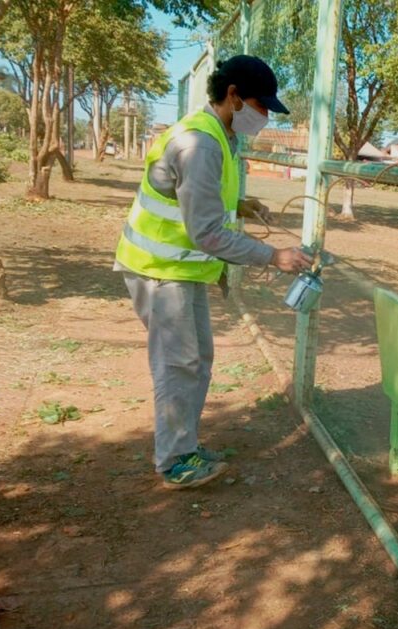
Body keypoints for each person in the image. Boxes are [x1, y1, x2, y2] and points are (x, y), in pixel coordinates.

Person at [114, 55, 313, 489]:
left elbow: (191, 199)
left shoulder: (216, 135)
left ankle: (184, 443)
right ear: (233, 96)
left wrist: (239, 205)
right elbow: (205, 233)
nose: (263, 117)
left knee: (196, 360)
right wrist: (273, 256)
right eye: (260, 107)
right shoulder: (200, 143)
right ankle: (174, 460)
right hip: (161, 270)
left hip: (179, 269)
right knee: (177, 364)